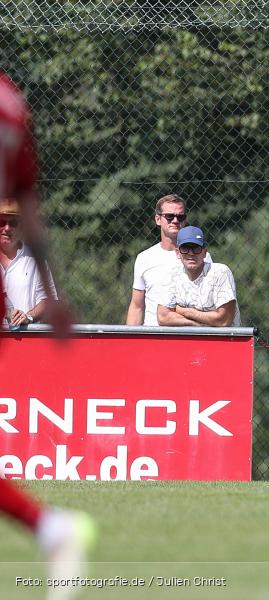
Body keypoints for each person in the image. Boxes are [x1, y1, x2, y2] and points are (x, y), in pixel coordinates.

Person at [1, 70, 95, 597]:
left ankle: (50, 528)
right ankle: (49, 528)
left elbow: (23, 206)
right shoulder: (11, 102)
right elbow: (27, 205)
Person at [126, 193, 211, 326]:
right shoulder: (144, 258)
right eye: (169, 216)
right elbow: (137, 306)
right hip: (153, 337)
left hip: (191, 335)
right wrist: (129, 342)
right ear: (158, 219)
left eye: (180, 217)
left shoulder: (200, 256)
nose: (175, 221)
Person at [157, 226, 240, 327]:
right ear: (178, 253)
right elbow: (163, 317)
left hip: (223, 341)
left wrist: (183, 311)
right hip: (188, 341)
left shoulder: (220, 273)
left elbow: (223, 319)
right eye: (185, 248)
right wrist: (196, 324)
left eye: (196, 248)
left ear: (205, 252)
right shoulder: (172, 274)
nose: (191, 253)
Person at [0, 198, 56, 328]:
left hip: (24, 339)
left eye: (13, 223)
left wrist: (28, 317)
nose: (7, 228)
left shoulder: (36, 260)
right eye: (2, 222)